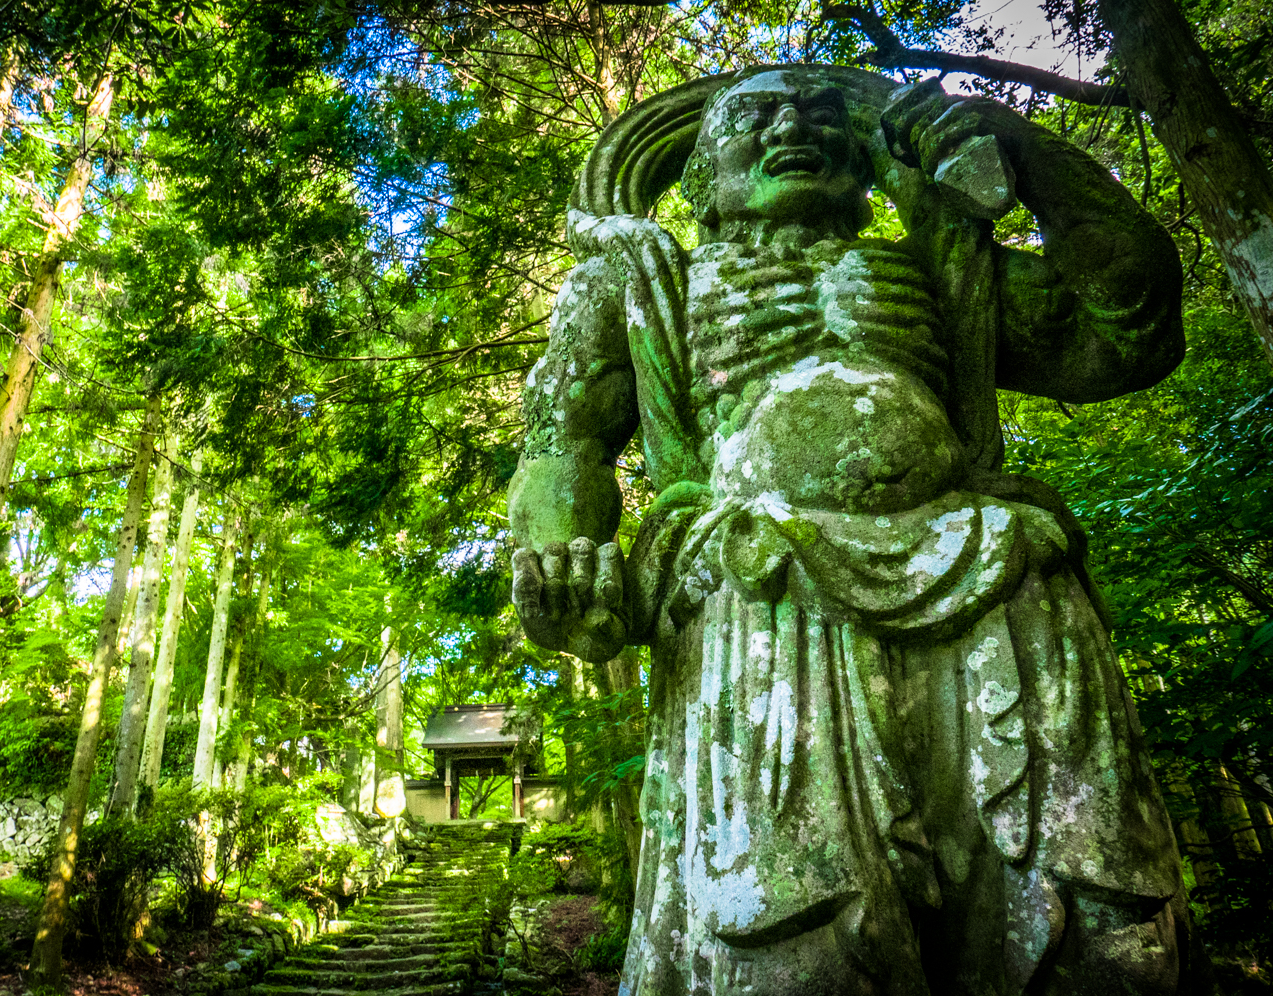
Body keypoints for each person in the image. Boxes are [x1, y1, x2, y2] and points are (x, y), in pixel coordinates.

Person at [508, 65, 1198, 996]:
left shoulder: (932, 265)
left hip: (988, 569)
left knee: (1109, 941)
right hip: (764, 591)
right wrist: (563, 562)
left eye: (822, 115)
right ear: (703, 171)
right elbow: (562, 442)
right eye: (756, 117)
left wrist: (1015, 147)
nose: (796, 126)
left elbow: (1126, 332)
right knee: (800, 955)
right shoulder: (651, 282)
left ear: (862, 159)